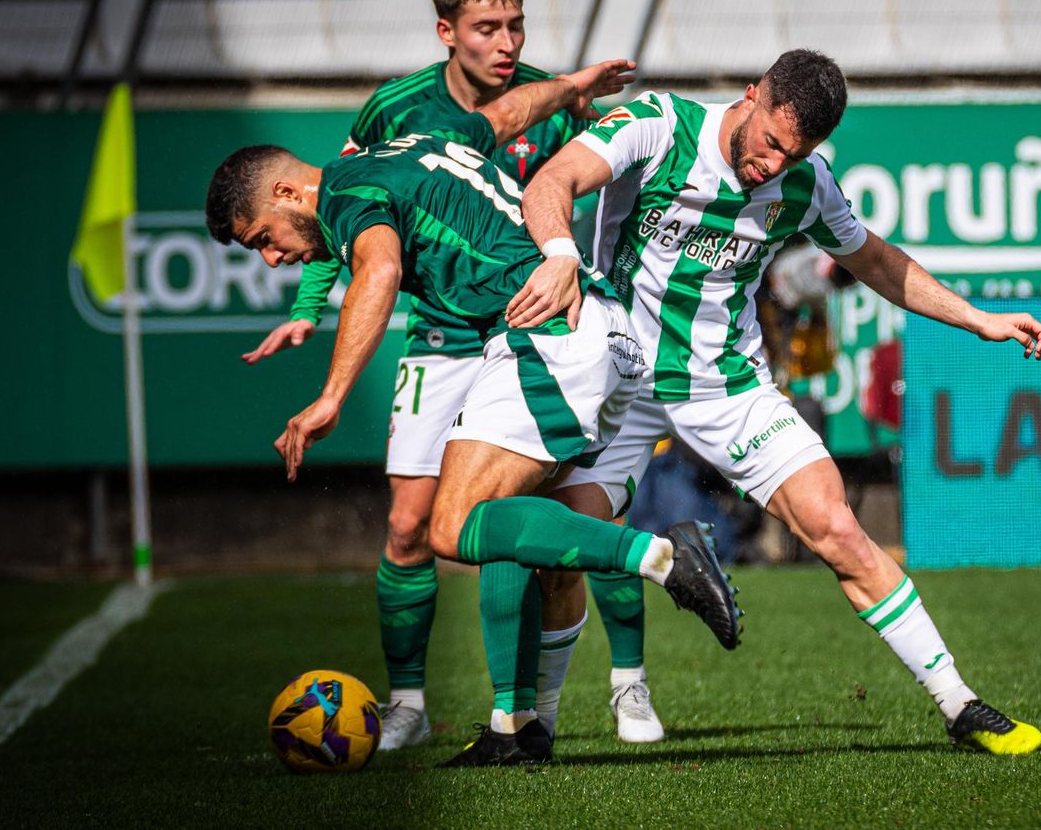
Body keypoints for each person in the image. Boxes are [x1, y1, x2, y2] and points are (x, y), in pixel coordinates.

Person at [495, 49, 1041, 756]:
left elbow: (873, 259)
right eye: (771, 144)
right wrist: (559, 252)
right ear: (752, 94)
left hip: (729, 386)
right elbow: (555, 179)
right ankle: (537, 727)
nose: (772, 166)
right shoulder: (660, 125)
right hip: (621, 379)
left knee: (839, 531)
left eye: (796, 155)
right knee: (559, 551)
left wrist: (979, 319)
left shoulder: (806, 183)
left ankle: (960, 704)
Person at [202, 67, 741, 766]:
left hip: (546, 333)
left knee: (451, 525)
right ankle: (516, 728)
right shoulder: (414, 145)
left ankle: (660, 555)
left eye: (261, 238)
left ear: (284, 193)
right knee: (507, 527)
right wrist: (574, 84)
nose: (273, 257)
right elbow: (513, 110)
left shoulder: (345, 194)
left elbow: (380, 273)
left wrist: (333, 395)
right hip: (593, 331)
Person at [240, 0, 667, 749]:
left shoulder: (549, 99)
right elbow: (332, 213)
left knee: (558, 524)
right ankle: (409, 706)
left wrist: (576, 94)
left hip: (537, 320)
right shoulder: (392, 110)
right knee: (413, 525)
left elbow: (590, 171)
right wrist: (308, 304)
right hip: (444, 332)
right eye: (485, 28)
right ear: (446, 32)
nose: (503, 44)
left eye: (514, 25)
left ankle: (602, 689)